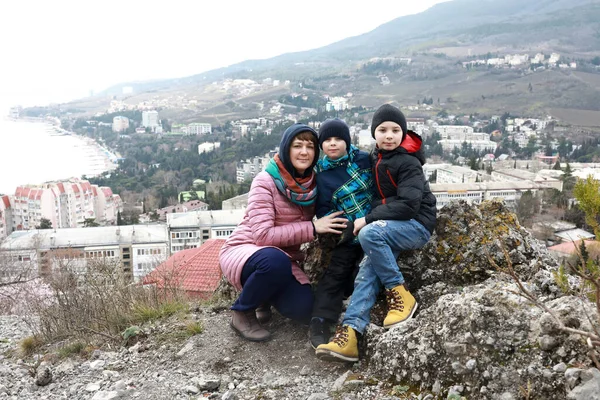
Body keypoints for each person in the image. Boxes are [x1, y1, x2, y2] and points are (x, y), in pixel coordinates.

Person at [315, 104, 437, 362]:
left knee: (368, 234)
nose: (389, 135)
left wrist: (367, 217)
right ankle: (350, 335)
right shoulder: (376, 157)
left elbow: (408, 205)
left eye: (395, 130)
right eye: (382, 130)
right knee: (365, 274)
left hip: (416, 225)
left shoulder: (408, 162)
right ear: (374, 133)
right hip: (390, 227)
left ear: (404, 133)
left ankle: (401, 295)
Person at [219, 123, 348, 342]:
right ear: (286, 149)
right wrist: (313, 228)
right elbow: (263, 236)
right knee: (274, 260)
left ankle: (263, 297)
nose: (304, 152)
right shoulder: (265, 180)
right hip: (246, 250)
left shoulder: (313, 184)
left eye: (310, 146)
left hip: (284, 259)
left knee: (304, 309)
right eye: (298, 146)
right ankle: (242, 312)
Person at [309, 118, 373, 349]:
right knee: (335, 271)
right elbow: (324, 209)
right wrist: (344, 225)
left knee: (363, 270)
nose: (333, 144)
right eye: (327, 140)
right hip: (349, 233)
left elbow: (380, 189)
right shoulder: (322, 176)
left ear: (347, 142)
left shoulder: (365, 160)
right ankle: (320, 321)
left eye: (338, 139)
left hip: (375, 226)